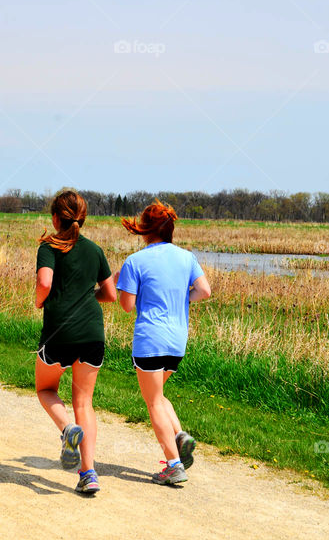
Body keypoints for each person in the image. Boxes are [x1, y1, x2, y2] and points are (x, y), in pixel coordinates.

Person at [115, 200, 212, 485]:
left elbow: (126, 306)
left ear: (146, 231)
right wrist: (184, 298)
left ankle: (173, 464)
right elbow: (204, 291)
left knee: (153, 402)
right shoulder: (187, 258)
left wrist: (121, 281)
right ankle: (180, 436)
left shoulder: (135, 262)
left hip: (150, 341)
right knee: (158, 395)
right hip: (177, 341)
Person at [34, 190, 116, 494]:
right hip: (92, 333)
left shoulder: (49, 247)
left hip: (59, 333)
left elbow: (44, 282)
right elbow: (109, 294)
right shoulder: (94, 250)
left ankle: (68, 430)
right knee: (84, 402)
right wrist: (85, 299)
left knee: (45, 389)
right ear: (83, 218)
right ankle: (88, 473)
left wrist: (40, 302)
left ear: (55, 218)